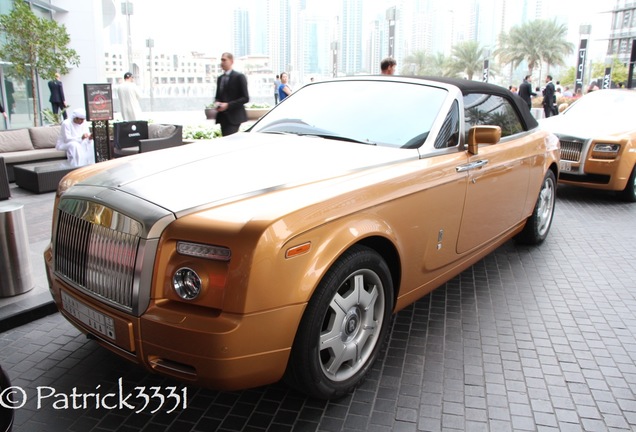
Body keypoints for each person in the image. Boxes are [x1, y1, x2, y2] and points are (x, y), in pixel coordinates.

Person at [214, 52, 249, 136]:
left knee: (230, 142)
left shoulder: (239, 77)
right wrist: (217, 103)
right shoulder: (220, 78)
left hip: (234, 117)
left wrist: (228, 105)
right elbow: (218, 96)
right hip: (222, 117)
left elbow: (245, 98)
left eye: (224, 60)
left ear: (231, 61)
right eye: (221, 60)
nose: (222, 62)